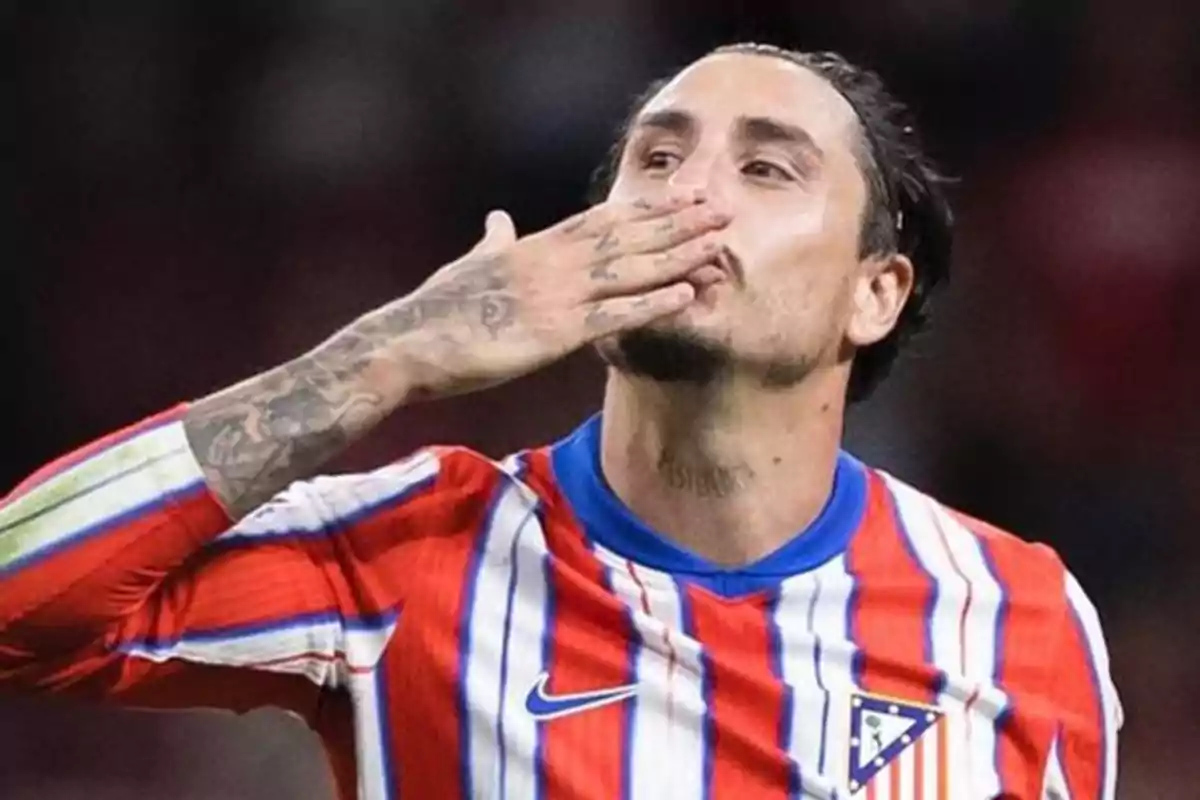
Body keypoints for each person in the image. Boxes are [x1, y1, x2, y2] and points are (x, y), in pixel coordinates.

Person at [0, 43, 1120, 799]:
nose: (689, 196)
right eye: (658, 158)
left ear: (876, 291)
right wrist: (386, 352)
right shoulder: (407, 556)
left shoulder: (1018, 619)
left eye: (767, 167)